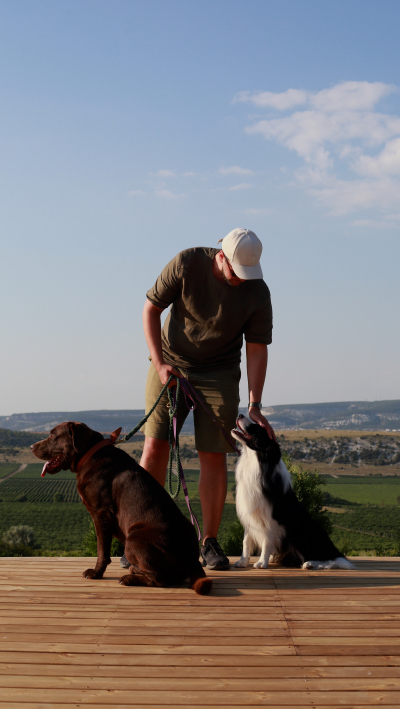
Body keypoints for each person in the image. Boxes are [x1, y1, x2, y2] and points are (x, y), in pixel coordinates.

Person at [123, 228, 274, 571]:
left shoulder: (257, 291)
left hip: (219, 373)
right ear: (221, 257)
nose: (240, 280)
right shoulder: (187, 262)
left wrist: (255, 405)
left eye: (247, 275)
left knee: (213, 454)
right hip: (170, 364)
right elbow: (150, 310)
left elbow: (256, 348)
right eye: (236, 273)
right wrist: (159, 362)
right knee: (155, 448)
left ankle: (208, 542)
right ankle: (141, 536)